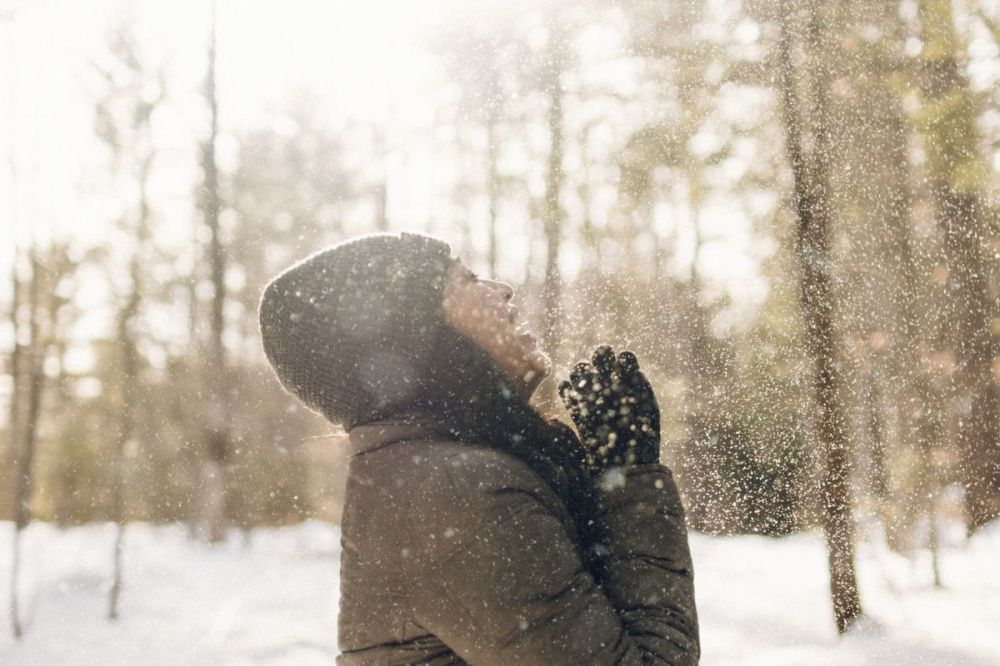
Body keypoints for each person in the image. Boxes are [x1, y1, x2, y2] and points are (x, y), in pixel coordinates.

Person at [258, 232, 699, 665]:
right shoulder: (457, 494)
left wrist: (609, 481)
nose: (502, 290)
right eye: (468, 281)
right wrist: (632, 480)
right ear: (421, 338)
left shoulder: (429, 477)